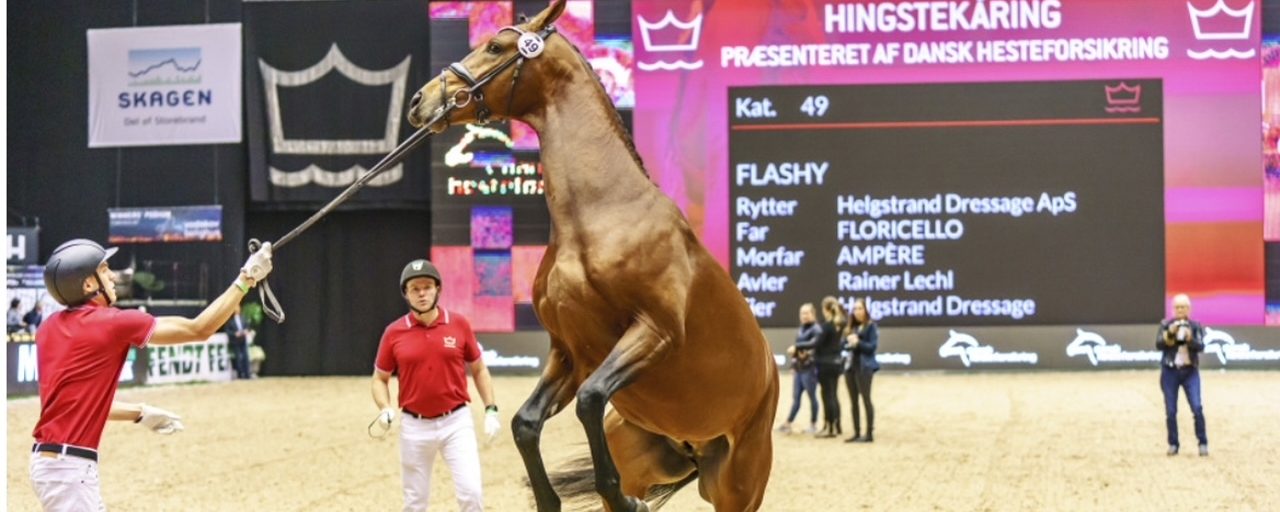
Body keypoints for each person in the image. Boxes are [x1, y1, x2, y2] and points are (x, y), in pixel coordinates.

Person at [30, 238, 273, 510]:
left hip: (49, 465)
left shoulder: (48, 328)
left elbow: (78, 403)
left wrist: (139, 412)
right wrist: (246, 278)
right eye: (105, 269)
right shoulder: (114, 323)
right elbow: (199, 329)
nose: (112, 275)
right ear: (88, 284)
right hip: (71, 471)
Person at [370, 259, 501, 511]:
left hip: (456, 421)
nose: (422, 293)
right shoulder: (393, 333)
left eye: (427, 286)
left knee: (471, 494)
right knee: (415, 502)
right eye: (415, 288)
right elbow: (379, 379)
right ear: (405, 294)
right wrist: (385, 407)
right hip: (414, 426)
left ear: (438, 289)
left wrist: (491, 409)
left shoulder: (459, 324)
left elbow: (479, 368)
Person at [1157, 293, 1208, 457]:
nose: (1180, 310)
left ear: (1188, 309)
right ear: (1173, 309)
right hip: (1170, 371)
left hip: (1190, 371)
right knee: (1171, 410)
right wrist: (1170, 334)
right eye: (1177, 307)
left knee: (1197, 407)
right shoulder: (1165, 325)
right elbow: (1159, 345)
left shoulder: (1195, 326)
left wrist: (1190, 338)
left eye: (1183, 307)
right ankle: (1173, 444)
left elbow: (1201, 346)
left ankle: (1203, 442)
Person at [777, 303, 820, 435]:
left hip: (810, 369)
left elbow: (815, 347)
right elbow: (797, 350)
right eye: (802, 313)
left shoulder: (816, 330)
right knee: (796, 398)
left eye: (807, 313)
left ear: (813, 314)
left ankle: (813, 424)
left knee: (812, 397)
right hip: (799, 370)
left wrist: (801, 351)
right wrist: (793, 365)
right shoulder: (801, 329)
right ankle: (788, 423)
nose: (804, 316)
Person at [842, 298, 880, 443]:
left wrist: (858, 342)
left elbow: (872, 347)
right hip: (850, 367)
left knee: (866, 399)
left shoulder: (871, 327)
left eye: (860, 308)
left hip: (865, 368)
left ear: (865, 310)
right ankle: (856, 432)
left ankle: (869, 433)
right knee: (853, 401)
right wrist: (848, 343)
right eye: (855, 308)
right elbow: (843, 346)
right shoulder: (851, 327)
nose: (857, 311)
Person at [814, 296, 846, 438]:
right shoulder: (839, 325)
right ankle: (837, 425)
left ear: (825, 309)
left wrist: (798, 347)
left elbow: (817, 344)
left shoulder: (826, 326)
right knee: (834, 394)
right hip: (836, 363)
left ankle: (829, 426)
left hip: (824, 364)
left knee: (827, 395)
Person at [223, 304, 252, 379]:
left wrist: (246, 331)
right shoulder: (230, 320)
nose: (237, 309)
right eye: (235, 308)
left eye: (238, 307)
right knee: (238, 358)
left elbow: (247, 327)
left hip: (243, 340)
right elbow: (228, 331)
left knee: (246, 357)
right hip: (235, 341)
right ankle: (240, 374)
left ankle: (247, 374)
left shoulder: (243, 318)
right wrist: (235, 334)